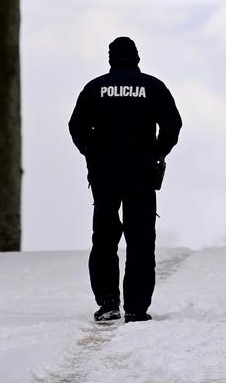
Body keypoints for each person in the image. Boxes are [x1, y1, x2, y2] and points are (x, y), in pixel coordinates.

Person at [68, 36, 182, 324]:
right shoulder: (153, 87)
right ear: (137, 58)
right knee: (141, 240)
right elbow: (173, 124)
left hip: (105, 174)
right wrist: (158, 152)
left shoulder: (94, 88)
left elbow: (76, 126)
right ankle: (136, 308)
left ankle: (108, 303)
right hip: (141, 173)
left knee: (104, 239)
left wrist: (92, 153)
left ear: (110, 59)